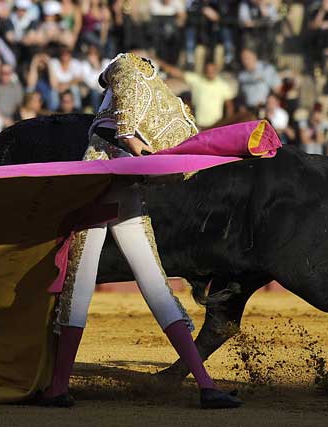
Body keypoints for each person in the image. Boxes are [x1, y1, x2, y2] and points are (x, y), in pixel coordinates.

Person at [41, 52, 241, 410]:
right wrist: (150, 167)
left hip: (99, 193)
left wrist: (138, 153)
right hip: (131, 196)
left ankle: (57, 387)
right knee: (157, 287)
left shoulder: (124, 72)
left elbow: (125, 134)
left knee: (79, 290)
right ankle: (206, 385)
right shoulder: (165, 100)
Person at [156, 58, 235, 128]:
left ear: (216, 71)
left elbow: (229, 106)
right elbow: (177, 73)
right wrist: (159, 62)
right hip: (199, 125)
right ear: (204, 70)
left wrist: (227, 125)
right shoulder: (197, 80)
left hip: (216, 126)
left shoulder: (222, 85)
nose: (210, 72)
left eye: (212, 70)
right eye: (208, 70)